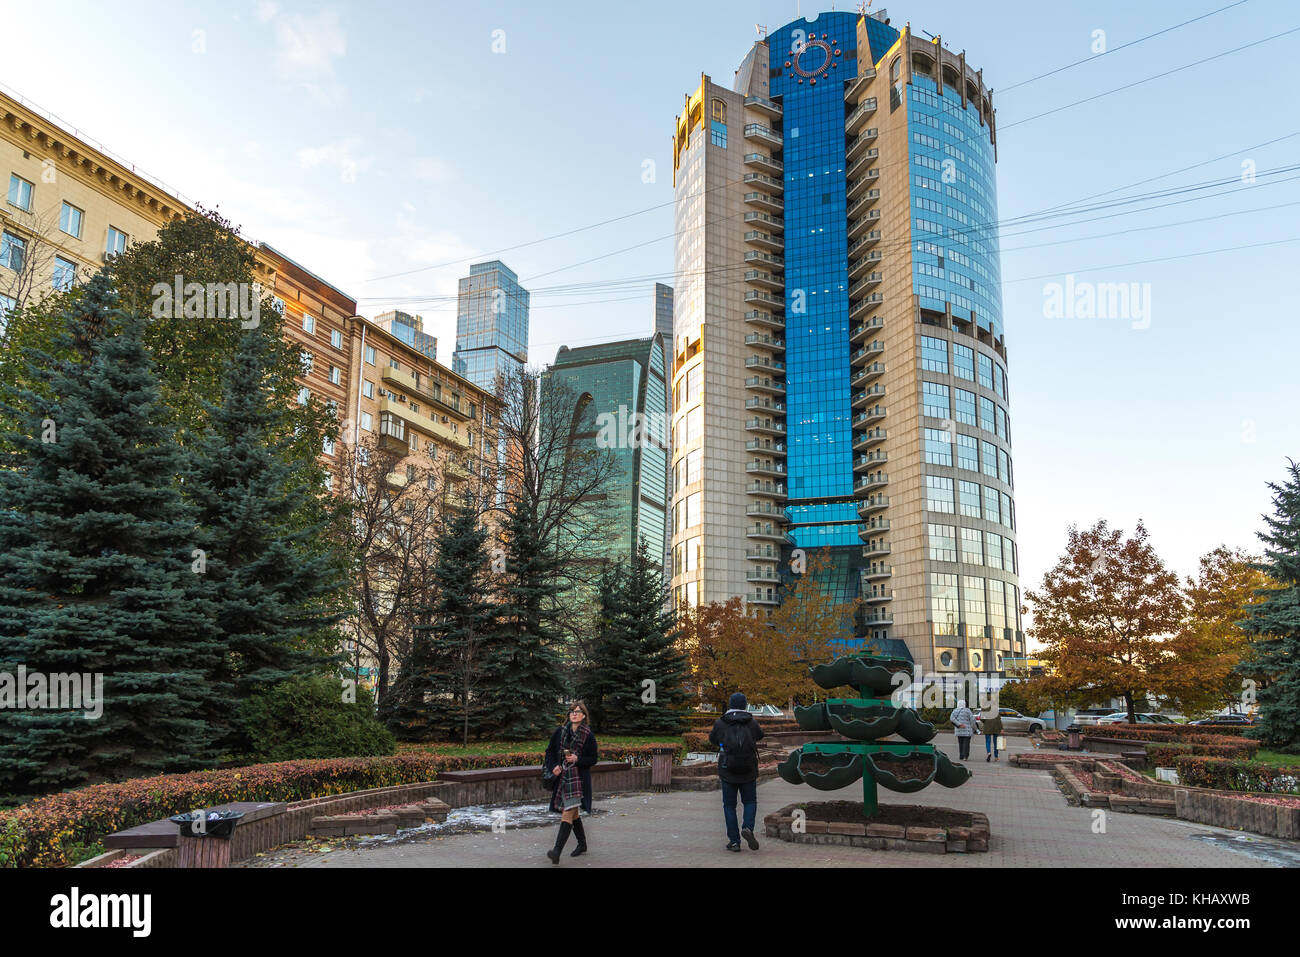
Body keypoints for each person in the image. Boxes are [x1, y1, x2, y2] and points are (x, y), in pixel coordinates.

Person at [708, 692, 766, 853]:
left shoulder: (721, 722)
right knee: (750, 802)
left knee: (729, 806)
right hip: (748, 769)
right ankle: (747, 827)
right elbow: (760, 736)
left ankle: (734, 842)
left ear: (730, 704)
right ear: (744, 705)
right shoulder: (751, 722)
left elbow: (712, 739)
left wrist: (722, 743)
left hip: (728, 769)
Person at [544, 700, 598, 864]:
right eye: (572, 711)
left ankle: (556, 852)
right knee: (572, 812)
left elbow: (593, 759)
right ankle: (582, 844)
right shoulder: (560, 732)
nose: (574, 713)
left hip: (578, 780)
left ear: (583, 716)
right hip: (563, 778)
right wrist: (553, 766)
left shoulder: (588, 735)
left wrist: (577, 759)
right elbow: (550, 751)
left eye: (578, 711)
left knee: (568, 812)